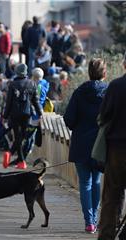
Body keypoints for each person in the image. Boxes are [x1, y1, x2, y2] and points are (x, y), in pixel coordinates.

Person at [63, 58, 108, 234]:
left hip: (81, 143)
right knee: (96, 181)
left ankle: (89, 221)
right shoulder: (110, 92)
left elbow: (68, 119)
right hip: (101, 145)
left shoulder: (79, 92)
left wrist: (80, 127)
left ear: (89, 72)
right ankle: (94, 219)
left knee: (85, 183)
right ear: (104, 73)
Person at [98, 53, 126, 240]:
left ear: (124, 64)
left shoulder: (115, 86)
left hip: (117, 148)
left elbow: (104, 116)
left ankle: (107, 235)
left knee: (112, 195)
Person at [2, 63, 43, 169]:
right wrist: (40, 113)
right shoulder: (32, 84)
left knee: (17, 136)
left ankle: (14, 156)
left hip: (14, 114)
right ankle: (20, 160)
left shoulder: (12, 84)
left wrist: (5, 116)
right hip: (27, 114)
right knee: (22, 137)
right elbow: (36, 101)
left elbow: (9, 102)